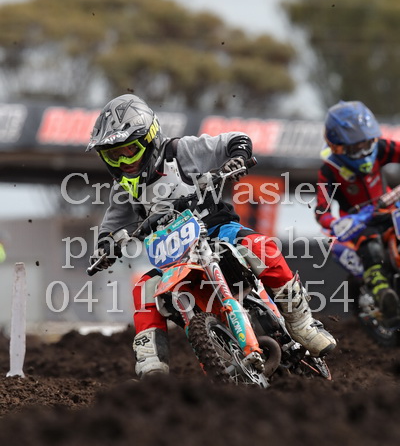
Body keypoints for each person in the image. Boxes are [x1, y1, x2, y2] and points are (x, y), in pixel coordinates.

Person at [87, 94, 336, 378]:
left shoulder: (180, 152)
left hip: (216, 231)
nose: (123, 161)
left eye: (129, 150)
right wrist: (105, 246)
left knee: (261, 247)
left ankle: (302, 324)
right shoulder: (124, 188)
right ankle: (152, 366)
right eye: (113, 155)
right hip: (172, 257)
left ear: (149, 139)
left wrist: (236, 158)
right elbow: (111, 226)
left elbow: (234, 140)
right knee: (143, 289)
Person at [315, 99, 400, 319]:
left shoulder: (381, 148)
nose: (363, 151)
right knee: (369, 243)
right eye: (356, 147)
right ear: (338, 146)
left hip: (391, 207)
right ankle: (382, 291)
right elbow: (321, 209)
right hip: (358, 222)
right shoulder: (330, 169)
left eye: (366, 144)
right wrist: (334, 222)